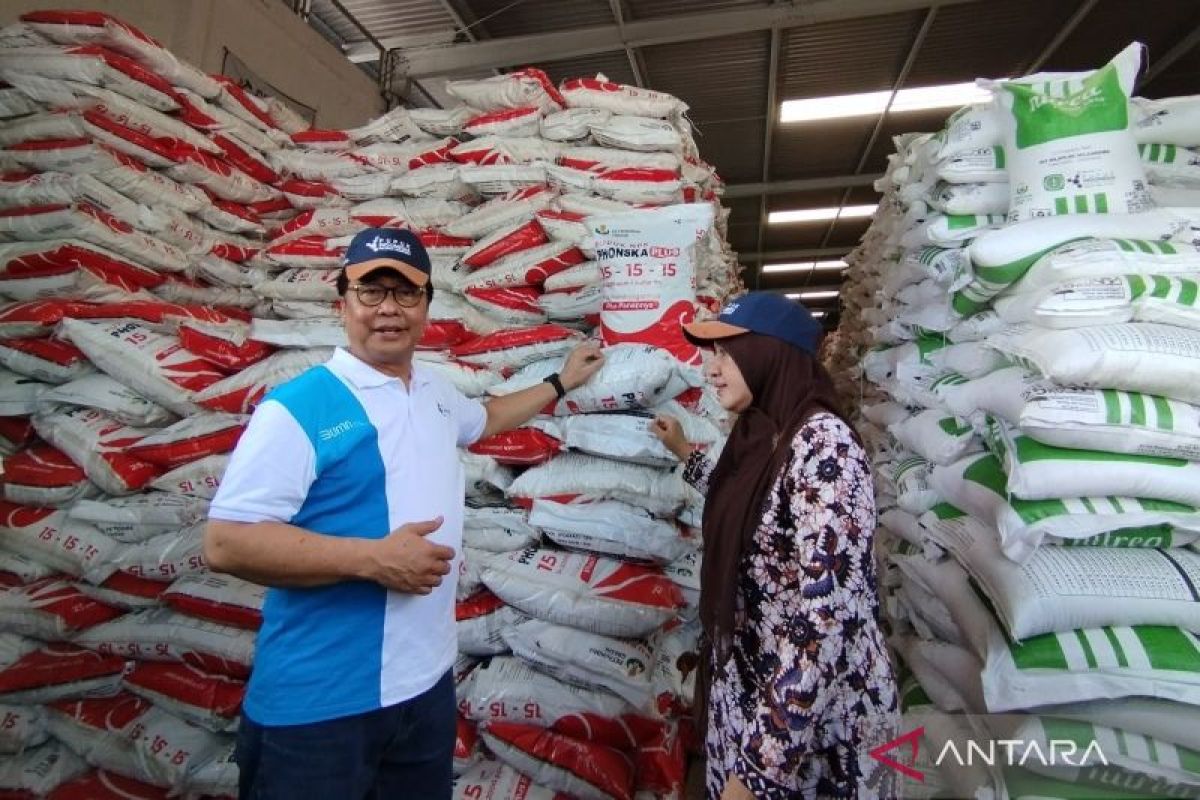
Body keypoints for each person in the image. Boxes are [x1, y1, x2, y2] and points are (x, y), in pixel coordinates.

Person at [203, 227, 603, 800]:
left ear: (426, 308)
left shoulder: (434, 394)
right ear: (343, 303)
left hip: (424, 691)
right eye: (371, 291)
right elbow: (225, 543)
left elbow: (485, 418)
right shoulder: (299, 407)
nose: (388, 308)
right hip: (321, 706)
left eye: (406, 293)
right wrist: (372, 560)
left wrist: (560, 381)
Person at [651, 292, 898, 800]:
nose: (711, 371)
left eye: (726, 354)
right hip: (751, 699)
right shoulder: (759, 432)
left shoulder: (824, 445)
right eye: (710, 356)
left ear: (769, 352)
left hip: (820, 732)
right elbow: (745, 500)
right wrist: (682, 451)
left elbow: (825, 621)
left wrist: (759, 770)